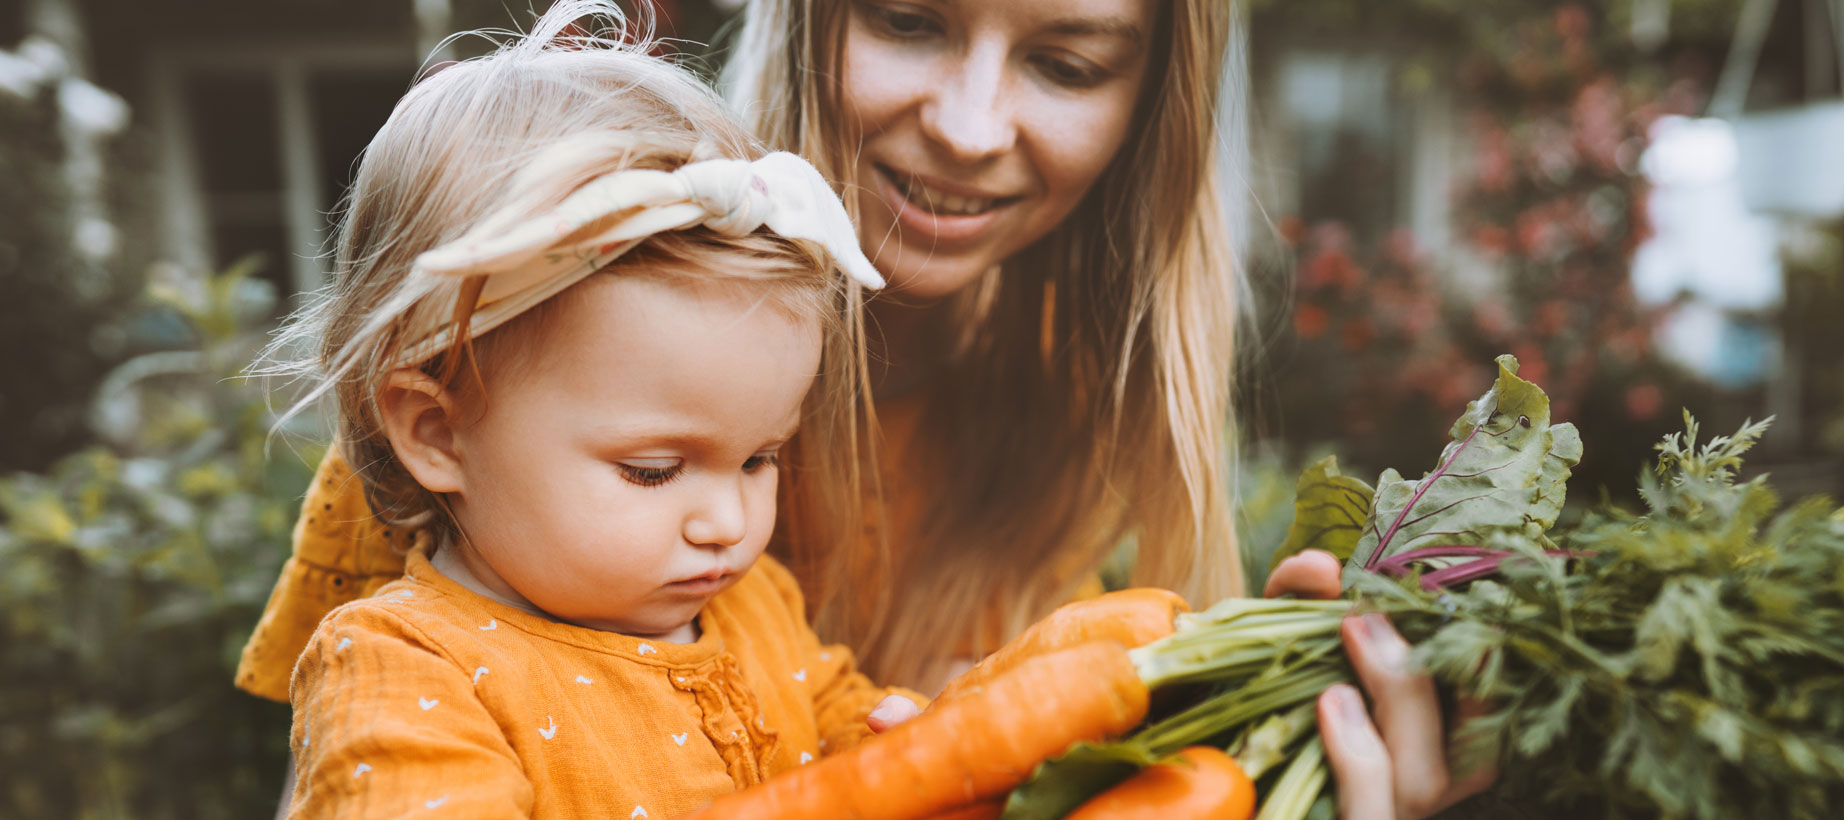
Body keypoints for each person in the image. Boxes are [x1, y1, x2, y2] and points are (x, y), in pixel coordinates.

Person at [243, 0, 1492, 814]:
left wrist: (1219, 717)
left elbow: (904, 747)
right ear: (431, 431)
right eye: (908, 18)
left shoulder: (789, 582)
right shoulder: (506, 338)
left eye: (1065, 60)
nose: (966, 127)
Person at [268, 6, 923, 816]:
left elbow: (834, 720)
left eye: (760, 458)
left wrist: (901, 745)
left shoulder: (755, 607)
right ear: (438, 433)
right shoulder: (407, 671)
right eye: (652, 471)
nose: (727, 521)